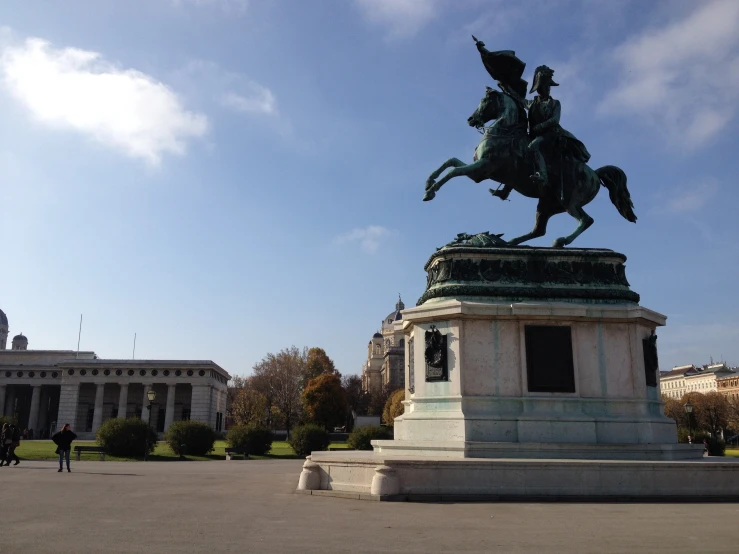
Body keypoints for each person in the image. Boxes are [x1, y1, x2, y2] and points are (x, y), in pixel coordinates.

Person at [526, 65, 590, 193]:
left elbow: (555, 120)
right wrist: (505, 87)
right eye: (546, 86)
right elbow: (519, 99)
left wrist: (540, 126)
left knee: (533, 146)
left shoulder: (555, 103)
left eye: (549, 86)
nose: (548, 89)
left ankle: (543, 176)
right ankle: (506, 189)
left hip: (551, 135)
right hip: (536, 134)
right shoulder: (532, 103)